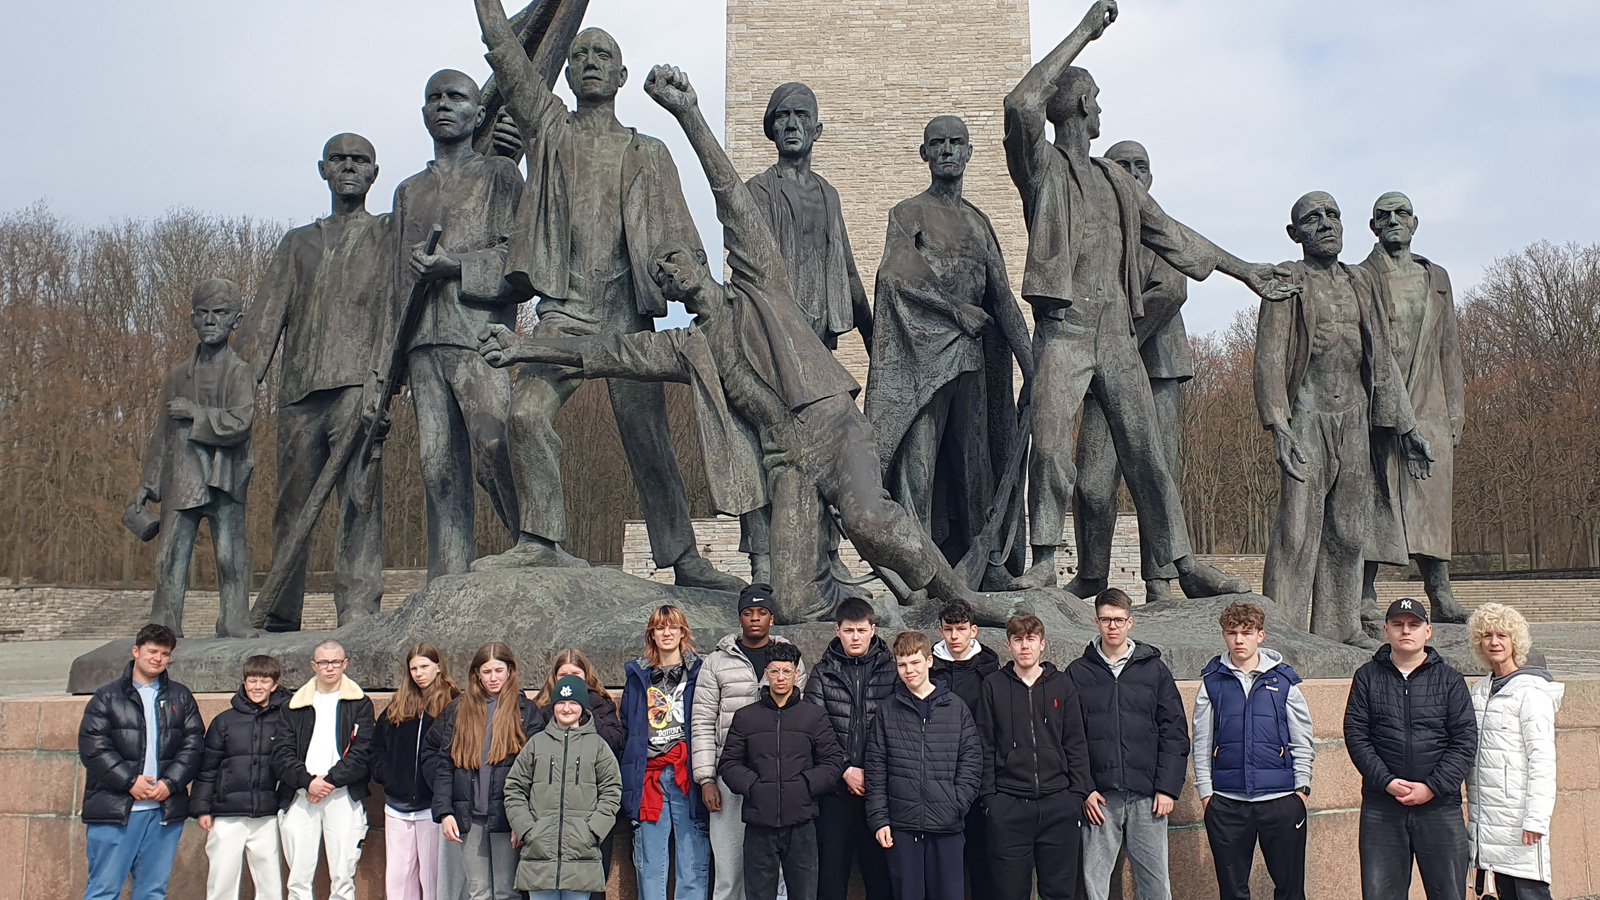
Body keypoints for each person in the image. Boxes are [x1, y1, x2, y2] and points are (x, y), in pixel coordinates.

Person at [476, 63, 1012, 625]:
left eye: (675, 260)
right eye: (660, 273)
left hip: (831, 428)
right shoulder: (689, 345)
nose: (668, 272)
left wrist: (689, 114)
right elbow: (603, 354)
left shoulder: (761, 283)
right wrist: (522, 348)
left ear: (702, 261)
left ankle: (961, 598)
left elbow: (729, 194)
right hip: (790, 462)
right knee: (794, 601)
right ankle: (869, 613)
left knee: (869, 518)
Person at [1002, 0, 1296, 596]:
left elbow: (1176, 235)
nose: (1102, 108)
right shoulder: (1044, 169)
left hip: (1116, 334)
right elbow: (1020, 104)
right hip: (1065, 327)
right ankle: (1042, 558)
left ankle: (1180, 564)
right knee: (1054, 445)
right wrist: (1086, 32)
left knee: (1148, 454)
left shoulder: (1117, 182)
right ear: (1082, 106)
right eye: (1097, 99)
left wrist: (1246, 272)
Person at [466, 0, 742, 591]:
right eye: (581, 54)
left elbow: (678, 240)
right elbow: (509, 58)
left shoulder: (649, 152)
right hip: (563, 312)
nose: (591, 62)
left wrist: (707, 303)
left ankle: (683, 558)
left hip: (627, 314)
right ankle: (540, 541)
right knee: (525, 413)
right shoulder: (550, 130)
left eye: (604, 55)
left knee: (650, 440)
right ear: (565, 73)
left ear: (621, 76)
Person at [864, 114, 1033, 590]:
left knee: (974, 462)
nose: (947, 151)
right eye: (937, 144)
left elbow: (1001, 298)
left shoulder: (978, 222)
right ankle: (917, 571)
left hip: (972, 358)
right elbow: (894, 273)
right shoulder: (909, 212)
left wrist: (1031, 364)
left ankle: (988, 567)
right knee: (918, 464)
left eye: (956, 143)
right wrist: (954, 308)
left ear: (969, 152)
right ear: (924, 153)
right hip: (923, 359)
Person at [1256, 191, 1430, 647]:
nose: (1326, 224)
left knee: (1350, 531)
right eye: (1313, 219)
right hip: (1306, 417)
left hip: (1354, 417)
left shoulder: (1360, 282)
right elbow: (1269, 361)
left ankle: (1342, 627)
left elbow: (1383, 358)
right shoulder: (1287, 281)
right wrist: (1279, 426)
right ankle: (1284, 631)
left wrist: (1407, 427)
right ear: (1296, 234)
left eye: (1333, 215)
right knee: (1297, 529)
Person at [236, 132, 392, 630]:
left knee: (360, 498)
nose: (349, 167)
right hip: (300, 393)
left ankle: (358, 608)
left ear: (374, 173)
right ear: (323, 169)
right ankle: (281, 612)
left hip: (358, 386)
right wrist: (233, 398)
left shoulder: (388, 234)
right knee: (291, 506)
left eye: (360, 160)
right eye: (339, 160)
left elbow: (398, 314)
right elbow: (263, 325)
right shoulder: (297, 242)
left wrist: (385, 384)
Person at [389, 68, 525, 581]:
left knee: (495, 450)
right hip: (422, 341)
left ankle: (535, 548)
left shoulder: (500, 177)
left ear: (477, 112)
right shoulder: (409, 191)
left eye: (456, 97)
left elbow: (520, 259)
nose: (444, 105)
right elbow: (392, 285)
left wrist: (455, 266)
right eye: (434, 97)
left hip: (479, 337)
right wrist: (390, 362)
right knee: (436, 466)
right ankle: (447, 576)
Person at [1067, 140, 1191, 603]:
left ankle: (1161, 579)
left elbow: (1170, 292)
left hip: (1156, 370)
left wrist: (1115, 343)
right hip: (1105, 376)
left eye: (1142, 167)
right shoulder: (1094, 231)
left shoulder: (1162, 230)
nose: (1134, 174)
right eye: (1123, 166)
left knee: (1156, 475)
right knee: (1093, 483)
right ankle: (1092, 573)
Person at [1358, 191, 1469, 625]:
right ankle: (1365, 592)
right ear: (1373, 227)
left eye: (1400, 213)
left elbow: (1450, 350)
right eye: (1383, 216)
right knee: (1373, 495)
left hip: (1430, 402)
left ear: (1415, 222)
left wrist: (1455, 412)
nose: (1392, 221)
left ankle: (1439, 591)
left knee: (1431, 501)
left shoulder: (1435, 276)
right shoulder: (1361, 276)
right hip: (1376, 402)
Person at [126, 278, 255, 637]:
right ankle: (165, 622)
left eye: (220, 313)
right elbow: (161, 435)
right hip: (182, 476)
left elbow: (240, 423)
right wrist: (148, 485)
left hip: (225, 476)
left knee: (230, 557)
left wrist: (196, 414)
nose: (211, 320)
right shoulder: (176, 376)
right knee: (170, 556)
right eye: (203, 313)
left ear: (236, 321)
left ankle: (234, 619)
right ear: (192, 319)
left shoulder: (240, 372)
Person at [1345, 598, 1478, 900]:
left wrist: (1432, 787)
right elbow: (1356, 736)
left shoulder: (1450, 680)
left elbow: (1464, 740)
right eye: (1398, 624)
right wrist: (1387, 782)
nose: (1406, 630)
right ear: (1386, 630)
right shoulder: (1367, 677)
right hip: (1382, 808)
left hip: (1440, 808)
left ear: (1428, 631)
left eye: (1414, 624)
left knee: (1449, 894)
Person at [1067, 588, 1188, 900]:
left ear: (1130, 622)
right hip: (1100, 798)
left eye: (1119, 620)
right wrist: (1085, 789)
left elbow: (1174, 731)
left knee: (1156, 885)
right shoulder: (1078, 673)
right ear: (1096, 622)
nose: (1113, 626)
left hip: (1147, 797)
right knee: (1095, 885)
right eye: (1106, 619)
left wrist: (1167, 788)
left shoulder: (1154, 670)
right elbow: (1070, 737)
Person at [690, 584, 807, 900]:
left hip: (777, 780)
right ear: (739, 618)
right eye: (748, 613)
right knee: (729, 871)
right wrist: (705, 779)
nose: (755, 618)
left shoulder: (789, 658)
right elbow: (701, 722)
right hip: (730, 778)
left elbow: (802, 719)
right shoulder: (716, 662)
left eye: (762, 612)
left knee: (777, 874)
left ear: (771, 618)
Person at [1192, 602, 1314, 900]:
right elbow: (1201, 742)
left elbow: (1303, 738)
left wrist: (1301, 789)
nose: (1239, 640)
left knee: (1290, 889)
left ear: (1261, 635)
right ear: (1223, 635)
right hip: (1228, 803)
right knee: (1232, 892)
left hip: (1281, 800)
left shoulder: (1284, 681)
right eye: (1232, 633)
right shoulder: (1211, 683)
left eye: (1246, 633)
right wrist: (1207, 795)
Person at [78, 624, 204, 900]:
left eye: (165, 653)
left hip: (163, 810)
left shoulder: (181, 697)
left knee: (153, 891)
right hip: (116, 810)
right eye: (152, 651)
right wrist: (129, 782)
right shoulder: (107, 697)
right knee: (104, 889)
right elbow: (93, 747)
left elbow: (193, 746)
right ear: (136, 651)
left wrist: (170, 783)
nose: (157, 658)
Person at [976, 612, 1093, 900]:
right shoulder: (993, 686)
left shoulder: (1062, 685)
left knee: (1059, 892)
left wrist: (1075, 794)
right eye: (1018, 640)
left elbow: (1075, 742)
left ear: (1042, 645)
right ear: (1009, 645)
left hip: (1058, 805)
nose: (1024, 646)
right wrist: (991, 800)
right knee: (1010, 892)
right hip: (1009, 806)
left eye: (1031, 639)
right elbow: (984, 744)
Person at [720, 641, 847, 900]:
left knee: (804, 894)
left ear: (796, 674)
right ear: (766, 673)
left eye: (786, 671)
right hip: (759, 823)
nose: (780, 678)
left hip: (801, 823)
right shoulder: (746, 717)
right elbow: (729, 763)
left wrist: (805, 786)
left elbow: (832, 762)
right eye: (775, 671)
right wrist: (754, 786)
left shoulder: (813, 716)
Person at [865, 631, 982, 900]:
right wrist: (880, 819)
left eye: (915, 662)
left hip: (947, 826)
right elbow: (876, 768)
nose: (909, 670)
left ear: (929, 661)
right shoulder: (888, 710)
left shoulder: (955, 707)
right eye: (902, 664)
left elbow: (971, 761)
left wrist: (956, 804)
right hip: (902, 827)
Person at [429, 642, 546, 900]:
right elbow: (445, 764)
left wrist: (523, 819)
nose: (493, 678)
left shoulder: (526, 712)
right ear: (477, 675)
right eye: (486, 671)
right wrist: (445, 812)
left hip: (508, 816)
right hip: (470, 816)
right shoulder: (459, 711)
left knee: (507, 892)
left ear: (509, 671)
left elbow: (535, 771)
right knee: (478, 891)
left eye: (498, 670)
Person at [802, 596, 896, 900]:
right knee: (830, 879)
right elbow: (815, 728)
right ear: (837, 631)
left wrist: (873, 771)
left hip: (879, 792)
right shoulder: (822, 673)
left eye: (860, 630)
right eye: (848, 631)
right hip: (834, 791)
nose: (855, 637)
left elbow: (897, 728)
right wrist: (845, 769)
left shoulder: (892, 672)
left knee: (881, 878)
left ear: (873, 629)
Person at [1467, 603, 1562, 900]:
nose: (1494, 642)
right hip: (1487, 821)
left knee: (1530, 892)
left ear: (1514, 642)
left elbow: (1542, 761)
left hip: (1519, 821)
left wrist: (1536, 819)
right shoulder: (1480, 691)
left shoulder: (1531, 693)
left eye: (1502, 636)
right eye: (1487, 636)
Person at [504, 674, 624, 900]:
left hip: (581, 856)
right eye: (561, 702)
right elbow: (514, 788)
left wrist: (594, 830)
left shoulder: (598, 746)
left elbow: (612, 790)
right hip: (539, 856)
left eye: (573, 703)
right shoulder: (537, 744)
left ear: (582, 707)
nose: (566, 708)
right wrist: (527, 829)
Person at [272, 639, 375, 900]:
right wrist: (308, 782)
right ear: (313, 666)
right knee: (298, 877)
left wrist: (328, 781)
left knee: (343, 875)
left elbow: (362, 752)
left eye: (336, 662)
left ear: (345, 664)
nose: (330, 667)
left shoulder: (359, 703)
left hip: (343, 795)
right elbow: (281, 753)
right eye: (324, 662)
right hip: (301, 796)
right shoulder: (293, 706)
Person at [622, 606, 711, 900]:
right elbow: (628, 726)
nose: (667, 633)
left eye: (673, 627)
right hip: (650, 777)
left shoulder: (700, 672)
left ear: (683, 632)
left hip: (688, 776)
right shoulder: (638, 676)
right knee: (650, 866)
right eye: (660, 628)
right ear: (652, 634)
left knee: (692, 862)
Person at [192, 655, 291, 900]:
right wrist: (203, 809)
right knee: (222, 880)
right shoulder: (224, 721)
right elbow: (208, 768)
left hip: (267, 813)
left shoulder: (285, 719)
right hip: (227, 813)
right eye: (252, 680)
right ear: (244, 683)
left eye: (264, 681)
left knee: (270, 884)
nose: (258, 686)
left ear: (275, 685)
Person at [535, 648, 626, 900]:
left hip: (591, 813)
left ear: (586, 676)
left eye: (575, 674)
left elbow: (615, 741)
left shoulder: (600, 705)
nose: (569, 679)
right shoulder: (542, 709)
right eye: (563, 674)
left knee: (592, 886)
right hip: (550, 817)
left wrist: (585, 718)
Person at [374, 643, 460, 900]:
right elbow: (377, 748)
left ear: (438, 667)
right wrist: (387, 776)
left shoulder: (453, 704)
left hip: (432, 807)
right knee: (399, 880)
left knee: (432, 880)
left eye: (424, 666)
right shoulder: (397, 706)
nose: (419, 673)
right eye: (413, 668)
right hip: (397, 805)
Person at [928, 598, 998, 895]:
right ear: (940, 630)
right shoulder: (928, 668)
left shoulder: (990, 670)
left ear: (974, 630)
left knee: (983, 862)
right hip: (937, 779)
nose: (954, 636)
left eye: (960, 629)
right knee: (942, 868)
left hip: (980, 779)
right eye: (948, 629)